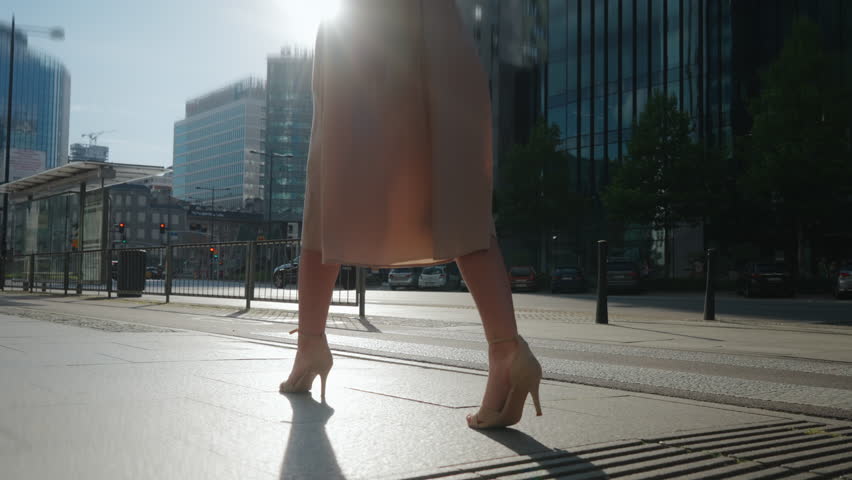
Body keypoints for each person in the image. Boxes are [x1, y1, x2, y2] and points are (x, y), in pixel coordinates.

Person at [278, 0, 543, 429]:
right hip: (436, 25)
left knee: (330, 185)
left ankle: (310, 345)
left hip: (361, 27)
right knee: (454, 192)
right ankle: (507, 350)